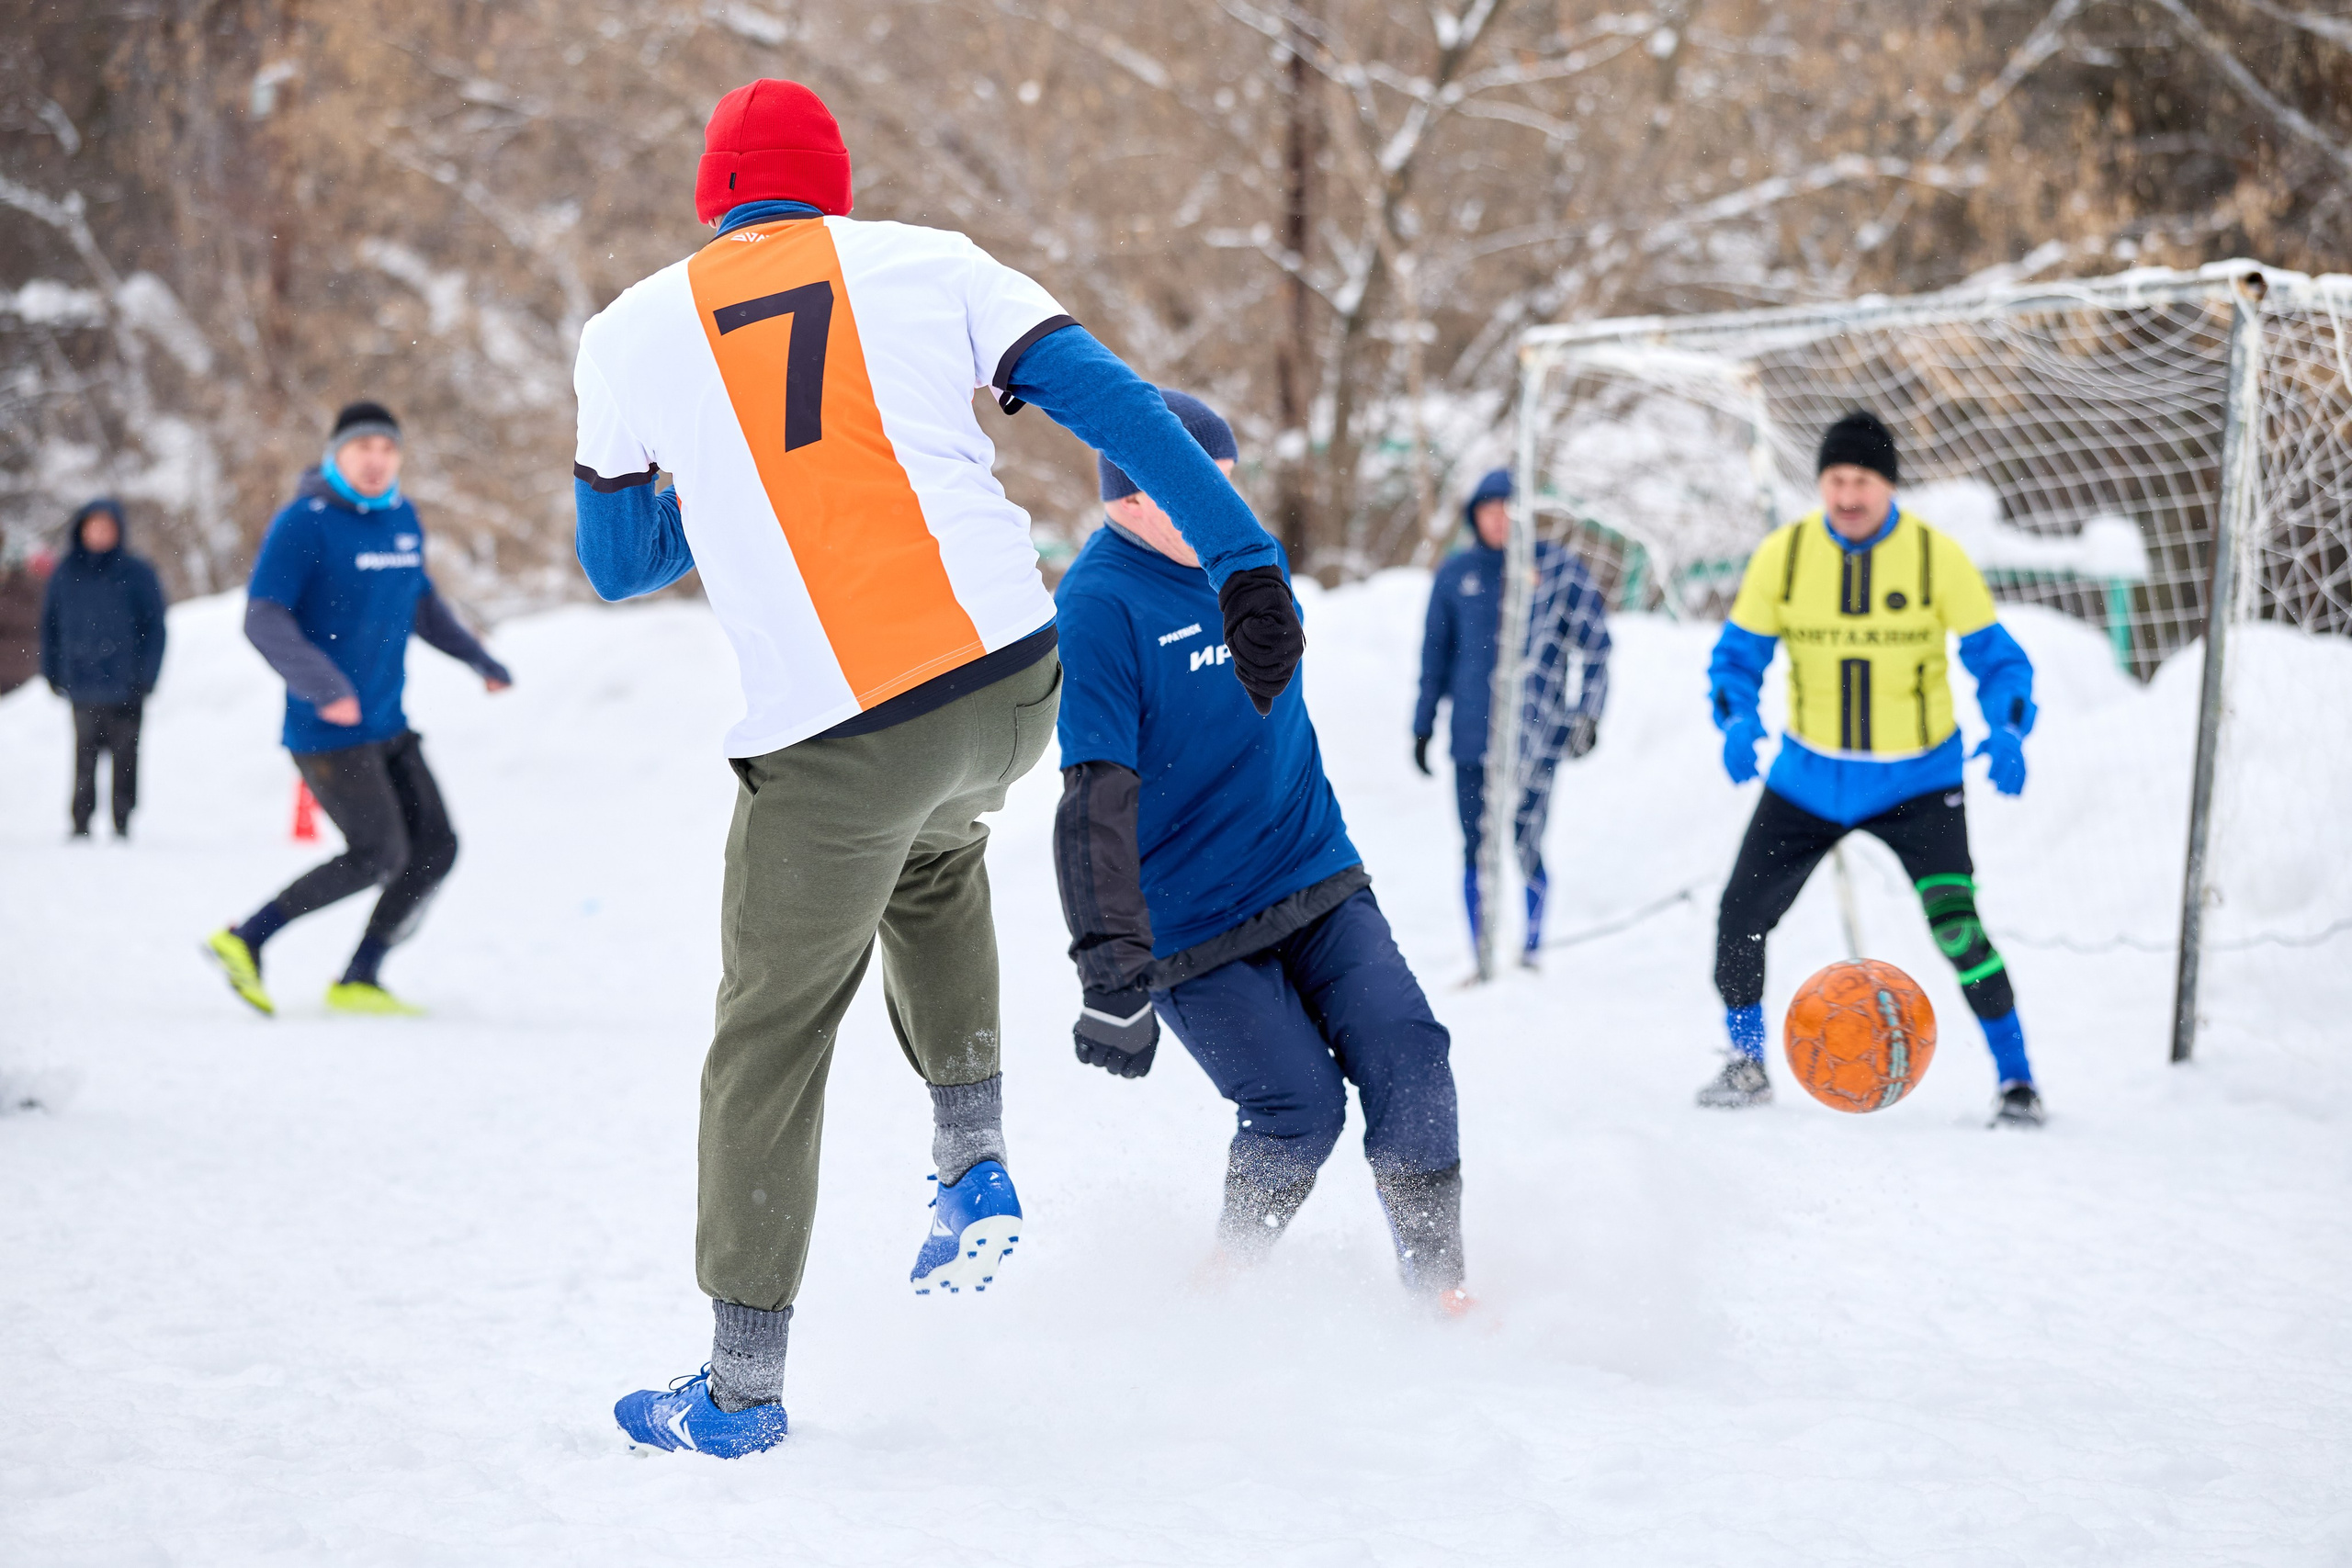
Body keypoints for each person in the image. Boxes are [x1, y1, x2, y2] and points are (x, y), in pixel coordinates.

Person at [571, 78, 1303, 1458]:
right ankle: (971, 1157)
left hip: (836, 738)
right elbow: (1123, 407)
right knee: (938, 847)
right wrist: (1242, 549)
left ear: (711, 197)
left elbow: (615, 565)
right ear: (831, 190)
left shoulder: (629, 330)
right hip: (1013, 679)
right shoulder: (932, 262)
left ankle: (735, 1388)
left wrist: (727, 492)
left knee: (769, 1038)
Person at [1055, 391, 1467, 1308]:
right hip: (1192, 922)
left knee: (1409, 1052)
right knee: (1298, 1109)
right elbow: (1093, 800)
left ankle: (1439, 1289)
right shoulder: (1097, 607)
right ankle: (1222, 1286)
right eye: (1202, 488)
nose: (1225, 510)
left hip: (1309, 868)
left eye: (1231, 485)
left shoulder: (1248, 560)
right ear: (1129, 497)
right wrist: (1109, 966)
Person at [1700, 411, 2045, 1127]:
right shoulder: (1786, 555)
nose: (1848, 496)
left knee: (1958, 929)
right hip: (1807, 780)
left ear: (1888, 486)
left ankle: (2016, 1081)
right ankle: (1746, 1061)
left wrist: (2008, 727)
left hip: (1916, 783)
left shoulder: (1933, 557)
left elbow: (1998, 660)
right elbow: (1738, 657)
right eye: (1835, 481)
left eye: (1862, 481)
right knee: (1741, 913)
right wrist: (1736, 715)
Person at [201, 402, 513, 1020]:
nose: (376, 459)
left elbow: (420, 603)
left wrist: (478, 658)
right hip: (327, 729)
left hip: (388, 722)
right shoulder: (304, 523)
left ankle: (361, 975)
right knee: (377, 853)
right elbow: (263, 615)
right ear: (337, 454)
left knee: (437, 846)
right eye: (362, 447)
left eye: (387, 449)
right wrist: (325, 686)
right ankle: (245, 938)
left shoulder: (402, 518)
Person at [1413, 468, 1611, 970]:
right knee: (1475, 846)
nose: (1498, 519)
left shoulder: (1557, 569)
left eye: (1507, 509)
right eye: (1488, 510)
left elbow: (1596, 647)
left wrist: (1587, 714)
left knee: (1527, 843)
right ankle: (1481, 954)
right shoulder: (1457, 574)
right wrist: (1423, 723)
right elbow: (1435, 656)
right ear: (1473, 516)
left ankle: (1532, 948)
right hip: (1473, 740)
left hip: (1538, 737)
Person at [40, 499, 166, 840]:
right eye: (93, 527)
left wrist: (147, 676)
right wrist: (52, 671)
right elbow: (49, 627)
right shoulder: (65, 573)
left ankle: (122, 822)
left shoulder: (137, 573)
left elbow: (155, 628)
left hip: (126, 684)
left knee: (126, 758)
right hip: (81, 682)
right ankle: (81, 822)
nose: (99, 534)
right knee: (83, 757)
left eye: (106, 527)